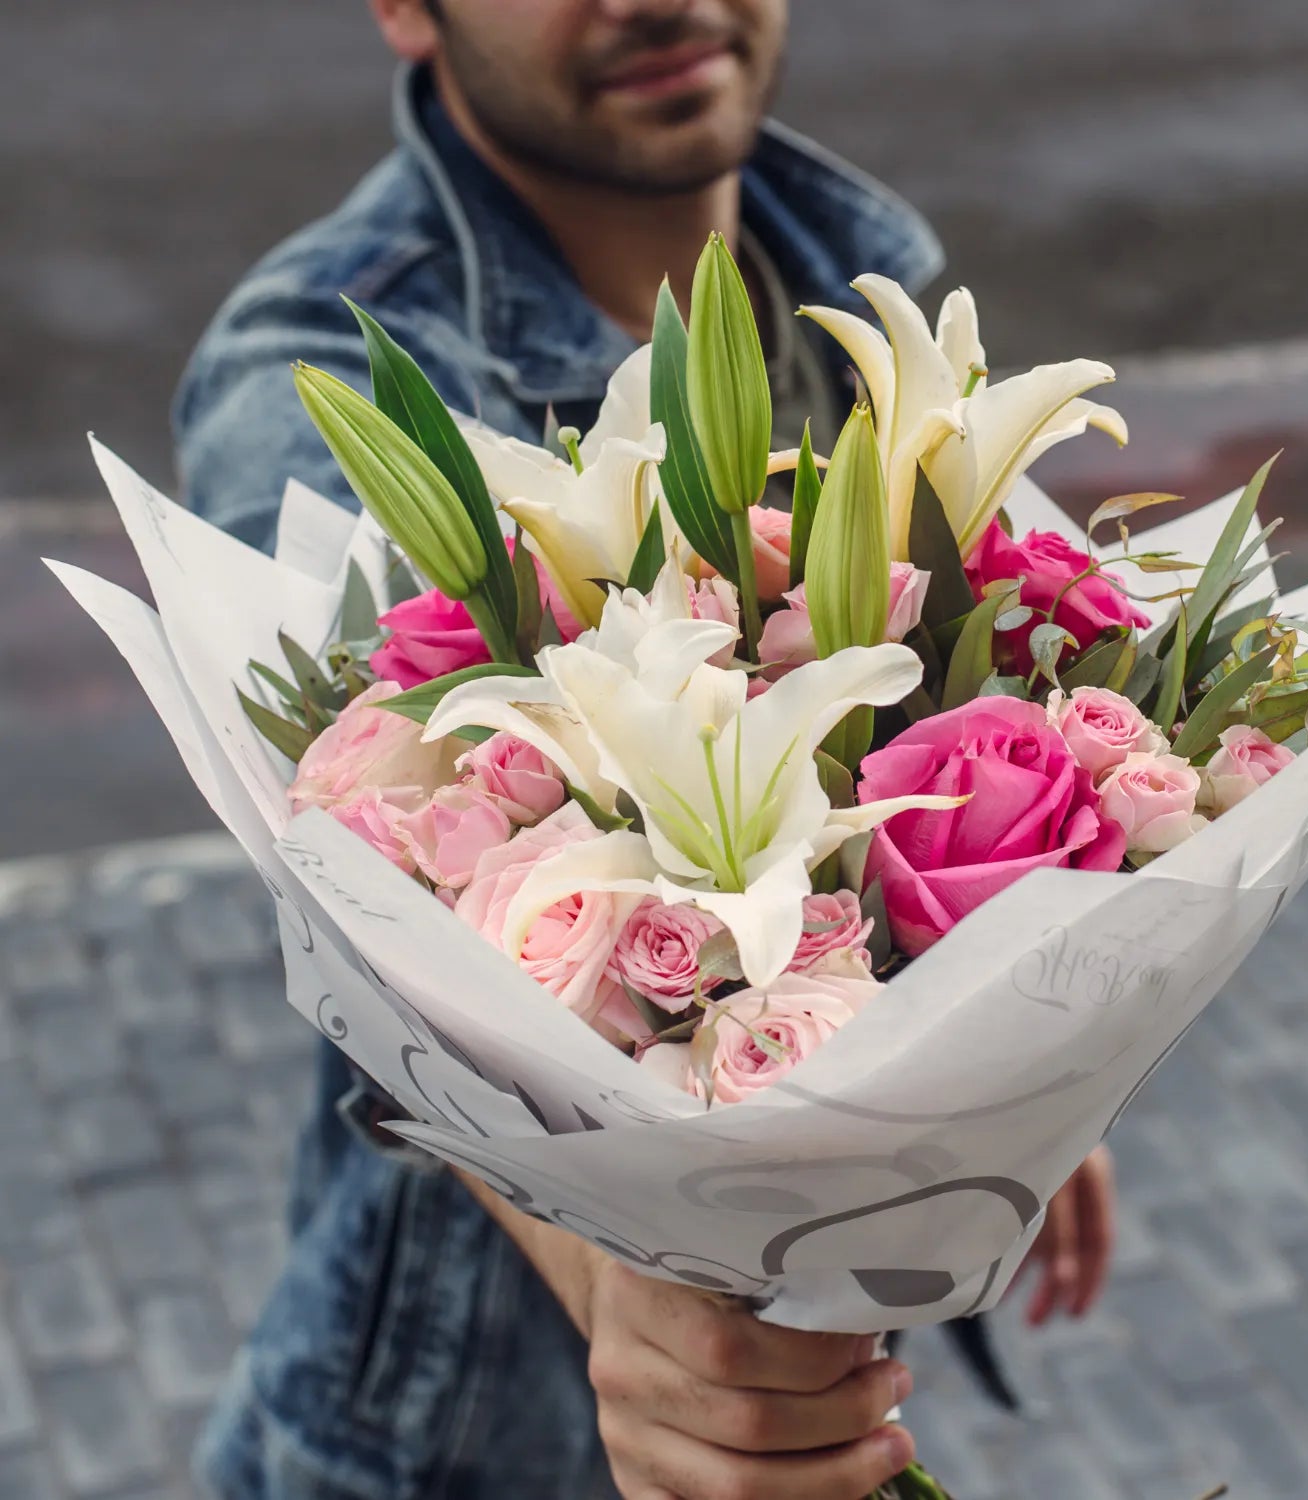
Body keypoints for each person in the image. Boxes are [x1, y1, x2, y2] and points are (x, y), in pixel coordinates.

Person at [175, 3, 1117, 1497]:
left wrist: (1007, 1041)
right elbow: (358, 891)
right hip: (457, 1426)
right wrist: (619, 1269)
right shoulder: (326, 363)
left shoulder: (846, 274)